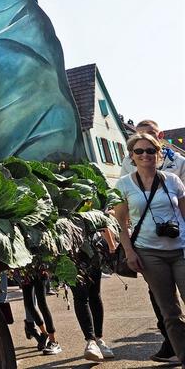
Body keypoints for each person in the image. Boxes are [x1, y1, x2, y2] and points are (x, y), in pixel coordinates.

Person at [115, 132, 185, 367]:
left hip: (181, 249)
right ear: (132, 156)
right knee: (170, 312)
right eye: (140, 151)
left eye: (151, 150)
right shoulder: (123, 184)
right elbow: (121, 223)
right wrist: (129, 252)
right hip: (149, 253)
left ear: (159, 153)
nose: (146, 155)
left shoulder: (172, 181)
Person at [72, 229, 116, 361]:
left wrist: (111, 245)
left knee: (94, 295)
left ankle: (99, 339)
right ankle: (91, 341)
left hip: (93, 248)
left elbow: (102, 220)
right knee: (80, 295)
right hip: (70, 248)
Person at [21, 271, 62, 355]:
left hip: (39, 269)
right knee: (29, 305)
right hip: (25, 272)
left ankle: (53, 341)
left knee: (42, 304)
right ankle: (44, 334)